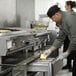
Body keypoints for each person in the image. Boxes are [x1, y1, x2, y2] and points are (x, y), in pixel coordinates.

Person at [40, 5, 76, 76]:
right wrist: (50, 50)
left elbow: (75, 38)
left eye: (53, 18)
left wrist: (67, 52)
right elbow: (60, 38)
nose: (53, 20)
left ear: (57, 14)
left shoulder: (70, 18)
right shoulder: (61, 21)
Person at [62, 1, 76, 71]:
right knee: (66, 49)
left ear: (69, 6)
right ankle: (68, 65)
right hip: (66, 36)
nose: (64, 6)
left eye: (65, 5)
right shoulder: (66, 14)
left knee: (71, 51)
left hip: (71, 36)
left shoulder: (72, 14)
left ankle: (72, 66)